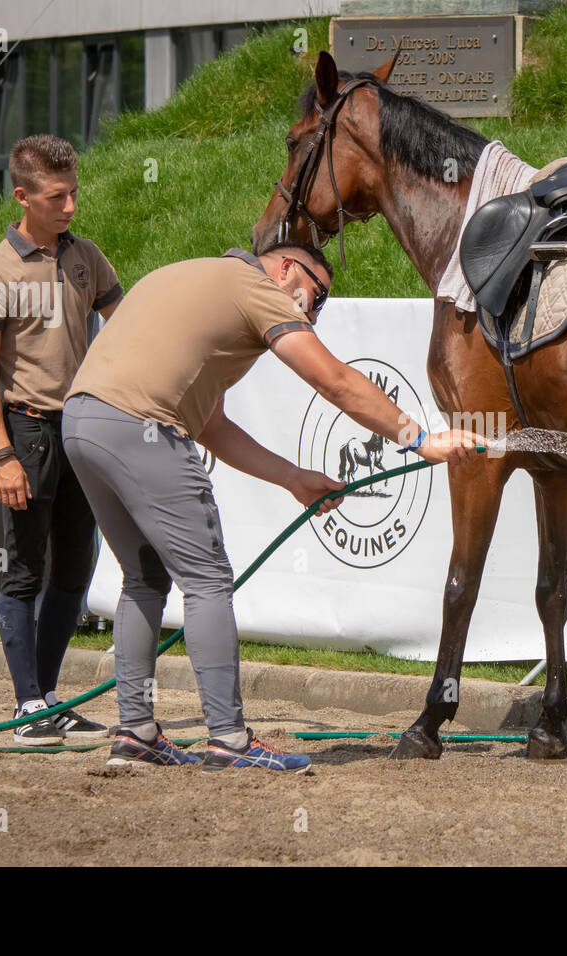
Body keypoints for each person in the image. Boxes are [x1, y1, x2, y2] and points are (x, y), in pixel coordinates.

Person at [61, 244, 487, 772]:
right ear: (287, 269)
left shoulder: (198, 278)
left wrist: (292, 478)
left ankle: (136, 732)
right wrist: (420, 439)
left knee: (145, 578)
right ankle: (229, 740)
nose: (315, 309)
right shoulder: (255, 287)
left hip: (81, 423)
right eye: (318, 292)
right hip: (138, 425)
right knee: (208, 579)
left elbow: (211, 427)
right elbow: (333, 380)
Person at [0, 134, 123, 744]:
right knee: (24, 573)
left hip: (80, 426)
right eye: (59, 196)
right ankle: (26, 705)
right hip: (25, 433)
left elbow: (123, 318)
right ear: (23, 196)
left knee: (74, 573)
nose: (72, 207)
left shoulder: (87, 257)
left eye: (75, 193)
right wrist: (2, 453)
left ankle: (47, 696)